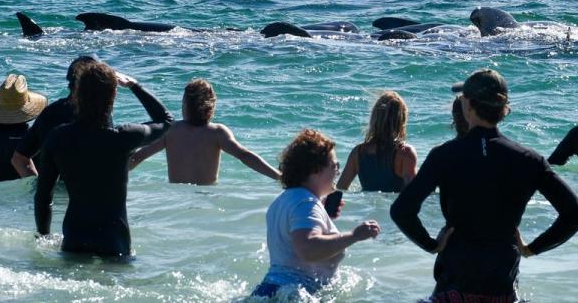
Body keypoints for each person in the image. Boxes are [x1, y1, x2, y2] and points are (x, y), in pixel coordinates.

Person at [391, 69, 578, 302]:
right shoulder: (529, 159)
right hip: (502, 286)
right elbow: (576, 214)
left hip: (454, 284)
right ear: (503, 108)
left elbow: (402, 210)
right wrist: (532, 248)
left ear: (468, 105)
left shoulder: (443, 155)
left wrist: (431, 244)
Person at [34, 61, 173, 257]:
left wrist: (44, 237)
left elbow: (43, 197)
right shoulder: (124, 137)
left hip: (75, 238)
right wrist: (134, 86)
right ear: (113, 96)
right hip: (114, 240)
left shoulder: (57, 138)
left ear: (77, 94)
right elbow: (166, 120)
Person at [253, 129, 380, 297]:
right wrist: (354, 235)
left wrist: (322, 216)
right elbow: (308, 249)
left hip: (270, 290)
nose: (338, 172)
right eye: (335, 166)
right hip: (293, 294)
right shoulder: (305, 204)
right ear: (316, 169)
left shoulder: (283, 200)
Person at [128, 78, 280, 184]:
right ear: (211, 106)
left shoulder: (171, 130)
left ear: (185, 104)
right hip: (207, 199)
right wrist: (278, 176)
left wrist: (110, 177)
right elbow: (245, 155)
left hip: (176, 200)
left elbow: (139, 156)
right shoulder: (218, 133)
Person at [11, 55, 96, 177]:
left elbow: (19, 159)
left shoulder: (51, 112)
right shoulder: (100, 113)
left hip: (54, 192)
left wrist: (42, 188)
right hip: (90, 192)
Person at [336, 91, 417, 192]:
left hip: (367, 207)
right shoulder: (405, 153)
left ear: (374, 118)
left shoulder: (358, 153)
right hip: (394, 207)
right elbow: (414, 192)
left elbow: (340, 189)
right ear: (402, 120)